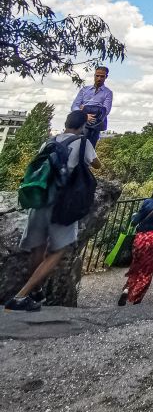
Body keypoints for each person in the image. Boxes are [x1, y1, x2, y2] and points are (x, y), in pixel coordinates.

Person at [5, 111, 100, 312]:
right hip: (63, 203)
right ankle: (21, 296)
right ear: (83, 125)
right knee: (58, 251)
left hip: (40, 199)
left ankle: (35, 292)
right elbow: (96, 164)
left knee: (38, 248)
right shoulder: (83, 142)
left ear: (65, 123)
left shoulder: (49, 141)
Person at [119, 181, 153, 306]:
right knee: (147, 270)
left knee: (136, 265)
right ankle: (137, 298)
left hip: (139, 238)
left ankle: (127, 289)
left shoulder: (147, 202)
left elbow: (136, 220)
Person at [70, 65, 113, 148]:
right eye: (97, 76)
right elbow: (74, 106)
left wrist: (85, 108)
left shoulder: (108, 93)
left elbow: (105, 111)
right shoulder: (84, 90)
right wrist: (85, 115)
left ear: (106, 77)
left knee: (89, 150)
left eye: (102, 76)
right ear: (94, 75)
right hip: (81, 123)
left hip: (95, 124)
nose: (99, 78)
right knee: (75, 147)